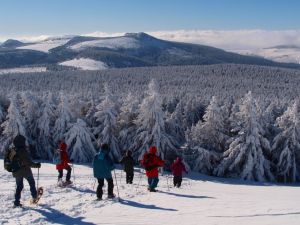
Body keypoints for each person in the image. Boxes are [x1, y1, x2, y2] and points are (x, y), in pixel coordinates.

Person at [11, 135, 41, 207]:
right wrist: (36, 165)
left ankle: (16, 202)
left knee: (19, 186)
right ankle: (34, 197)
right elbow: (28, 162)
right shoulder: (22, 150)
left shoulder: (12, 150)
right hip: (25, 170)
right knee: (31, 182)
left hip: (15, 171)